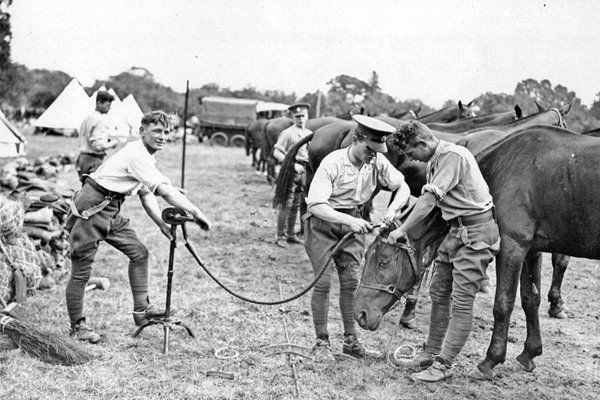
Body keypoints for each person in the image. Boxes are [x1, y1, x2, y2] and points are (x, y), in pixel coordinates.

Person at [65, 110, 212, 343]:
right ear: (142, 132)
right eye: (156, 131)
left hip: (110, 208)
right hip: (91, 208)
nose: (162, 136)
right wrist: (195, 212)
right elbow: (163, 191)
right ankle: (77, 327)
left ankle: (142, 312)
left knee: (139, 252)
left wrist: (161, 224)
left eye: (166, 132)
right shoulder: (137, 154)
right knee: (82, 270)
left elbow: (146, 193)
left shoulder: (144, 155)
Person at [387, 120, 500, 383]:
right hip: (455, 232)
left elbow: (428, 200)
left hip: (476, 235)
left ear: (422, 143)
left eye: (412, 154)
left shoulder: (452, 156)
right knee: (438, 292)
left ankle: (445, 365)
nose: (411, 159)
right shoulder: (436, 159)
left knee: (461, 303)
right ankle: (432, 352)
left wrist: (402, 230)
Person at [304, 115, 411, 360]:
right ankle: (321, 343)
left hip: (354, 224)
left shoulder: (377, 161)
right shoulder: (333, 162)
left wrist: (392, 209)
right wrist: (349, 221)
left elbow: (402, 186)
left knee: (351, 282)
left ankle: (350, 341)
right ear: (356, 139)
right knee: (321, 284)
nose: (373, 155)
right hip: (324, 223)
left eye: (377, 151)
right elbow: (316, 205)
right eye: (369, 149)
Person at [273, 103, 312, 247]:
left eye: (302, 116)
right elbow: (277, 152)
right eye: (297, 116)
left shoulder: (308, 133)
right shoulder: (288, 133)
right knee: (286, 204)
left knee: (296, 204)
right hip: (291, 171)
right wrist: (291, 164)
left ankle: (290, 234)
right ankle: (280, 236)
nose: (300, 119)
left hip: (303, 171)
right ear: (293, 117)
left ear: (307, 117)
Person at [76, 90, 119, 184]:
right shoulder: (99, 120)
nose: (109, 108)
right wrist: (112, 144)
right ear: (99, 103)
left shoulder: (88, 118)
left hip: (83, 159)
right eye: (107, 105)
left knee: (85, 190)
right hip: (93, 160)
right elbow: (98, 146)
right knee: (94, 192)